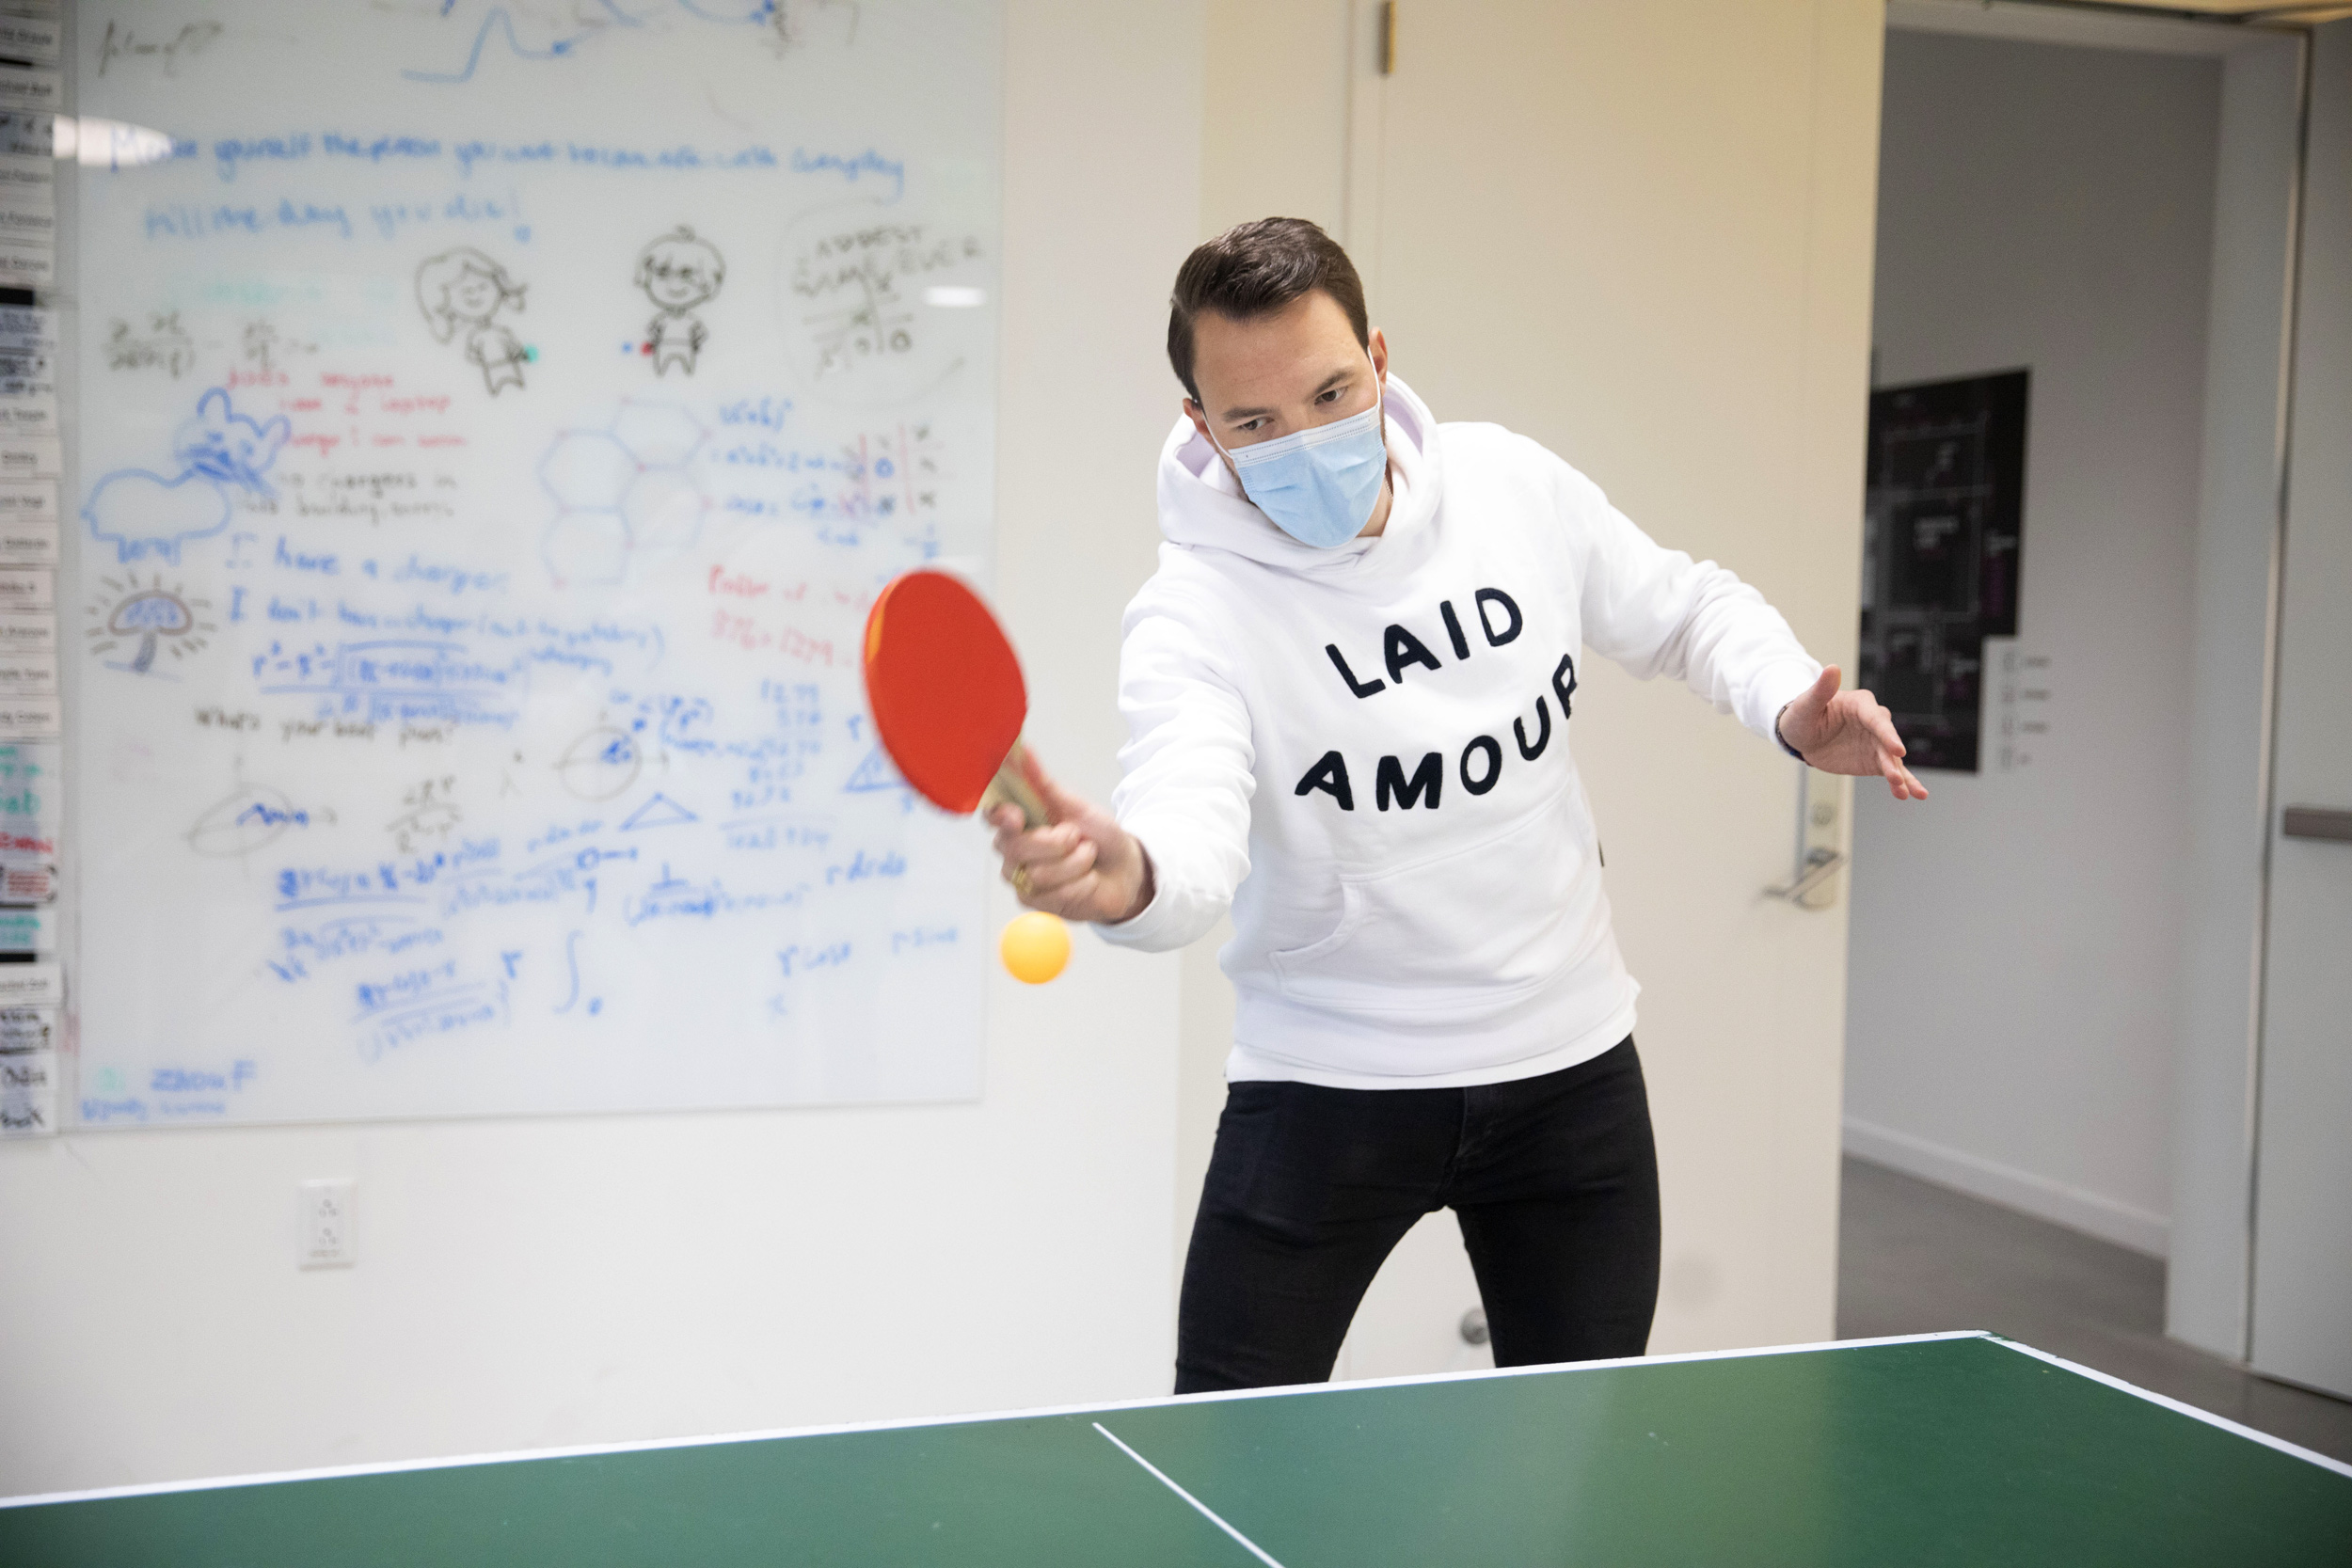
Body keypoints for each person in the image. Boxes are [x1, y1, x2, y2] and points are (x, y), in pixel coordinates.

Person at [989, 218, 1927, 1394]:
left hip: (1567, 1073)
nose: (1306, 440)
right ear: (1201, 428)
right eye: (1255, 423)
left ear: (1379, 357)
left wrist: (1790, 702)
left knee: (1577, 1455)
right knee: (1222, 1458)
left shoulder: (1510, 486)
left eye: (1333, 392)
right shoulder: (1194, 615)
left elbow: (1682, 609)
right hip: (1323, 1088)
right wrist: (1122, 875)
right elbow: (1187, 832)